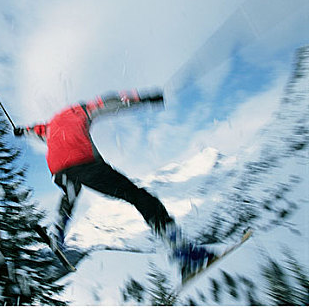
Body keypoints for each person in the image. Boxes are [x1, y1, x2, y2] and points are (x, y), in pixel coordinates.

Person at [14, 88, 214, 278]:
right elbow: (115, 101)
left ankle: (57, 232)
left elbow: (34, 130)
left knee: (70, 192)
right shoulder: (82, 109)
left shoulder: (50, 126)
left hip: (58, 169)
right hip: (84, 163)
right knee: (138, 196)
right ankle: (184, 253)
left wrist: (22, 131)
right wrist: (145, 98)